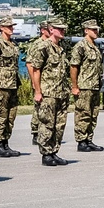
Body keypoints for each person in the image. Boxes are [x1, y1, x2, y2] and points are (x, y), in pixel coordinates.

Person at [30, 16, 69, 166]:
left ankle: (54, 151)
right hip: (48, 92)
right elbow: (36, 70)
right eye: (60, 28)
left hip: (61, 92)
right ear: (51, 29)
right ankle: (46, 153)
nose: (62, 31)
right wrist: (38, 91)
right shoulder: (44, 47)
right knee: (47, 123)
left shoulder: (60, 48)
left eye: (63, 29)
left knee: (59, 124)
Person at [70, 19, 104, 152]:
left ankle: (89, 139)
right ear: (86, 30)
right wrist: (74, 86)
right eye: (93, 29)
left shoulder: (95, 46)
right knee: (83, 114)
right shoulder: (81, 46)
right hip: (84, 85)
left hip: (95, 85)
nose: (96, 32)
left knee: (93, 114)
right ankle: (81, 140)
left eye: (96, 29)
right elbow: (74, 67)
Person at [0, 15, 22, 157]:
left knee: (11, 115)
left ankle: (6, 142)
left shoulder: (13, 44)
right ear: (1, 28)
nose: (12, 29)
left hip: (13, 83)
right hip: (2, 84)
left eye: (12, 26)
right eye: (9, 26)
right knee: (2, 115)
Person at [25, 20, 50, 145]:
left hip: (48, 83)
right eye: (47, 29)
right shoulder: (37, 44)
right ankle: (35, 131)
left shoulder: (51, 44)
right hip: (39, 81)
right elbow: (30, 64)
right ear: (42, 30)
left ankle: (44, 131)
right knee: (38, 107)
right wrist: (35, 83)